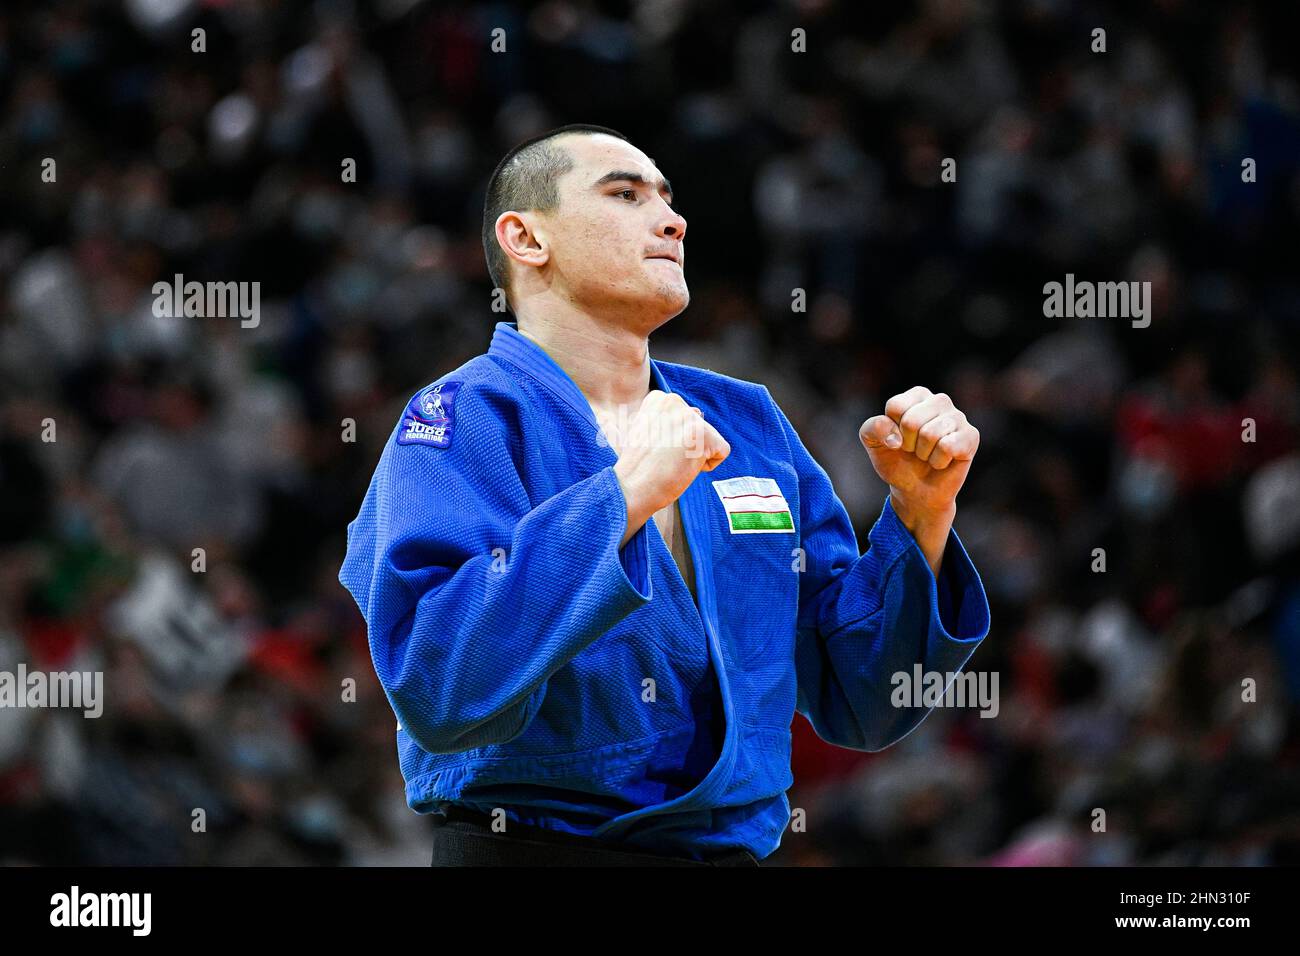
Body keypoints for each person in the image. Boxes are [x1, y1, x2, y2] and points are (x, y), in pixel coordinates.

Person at [339, 124, 991, 866]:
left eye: (668, 199)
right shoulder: (464, 421)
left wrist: (922, 517)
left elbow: (866, 698)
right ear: (525, 239)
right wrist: (623, 497)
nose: (672, 219)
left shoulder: (747, 421)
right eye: (624, 193)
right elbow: (442, 686)